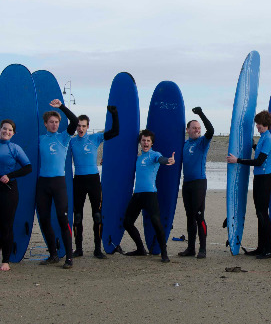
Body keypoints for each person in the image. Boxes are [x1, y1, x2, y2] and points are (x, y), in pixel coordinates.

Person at [69, 106, 119, 258]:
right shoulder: (71, 142)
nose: (81, 128)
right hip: (78, 180)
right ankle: (78, 249)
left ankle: (98, 249)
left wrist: (114, 115)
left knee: (97, 215)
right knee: (77, 217)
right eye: (78, 125)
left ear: (88, 126)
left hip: (93, 180)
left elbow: (115, 132)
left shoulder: (95, 138)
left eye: (83, 126)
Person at [227, 109, 271, 259]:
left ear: (266, 124)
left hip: (265, 179)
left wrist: (238, 160)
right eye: (257, 124)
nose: (258, 126)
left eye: (260, 124)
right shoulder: (263, 138)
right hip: (259, 178)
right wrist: (253, 145)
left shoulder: (269, 139)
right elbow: (260, 152)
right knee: (259, 213)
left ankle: (268, 250)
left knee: (263, 214)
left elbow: (259, 161)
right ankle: (261, 247)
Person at [35, 99, 78, 268]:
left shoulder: (64, 137)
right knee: (44, 219)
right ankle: (53, 254)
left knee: (62, 218)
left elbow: (74, 121)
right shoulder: (40, 139)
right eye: (51, 122)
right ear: (45, 124)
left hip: (59, 183)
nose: (54, 125)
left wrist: (61, 107)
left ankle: (69, 257)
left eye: (56, 122)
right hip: (43, 183)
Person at [121, 129, 175, 262]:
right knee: (127, 223)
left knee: (156, 222)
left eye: (148, 141)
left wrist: (168, 160)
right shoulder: (138, 158)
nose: (145, 143)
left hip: (150, 194)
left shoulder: (154, 155)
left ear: (152, 143)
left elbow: (161, 159)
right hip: (137, 194)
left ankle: (164, 253)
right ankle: (140, 249)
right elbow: (122, 165)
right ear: (140, 142)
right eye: (143, 140)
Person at [0, 119, 32, 271]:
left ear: (13, 133)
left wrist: (10, 174)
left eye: (9, 130)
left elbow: (28, 168)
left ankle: (5, 261)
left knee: (6, 226)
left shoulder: (15, 148)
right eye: (4, 129)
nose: (6, 132)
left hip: (9, 189)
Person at [179, 107, 213, 258]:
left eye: (199, 128)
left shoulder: (202, 143)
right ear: (188, 130)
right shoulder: (184, 144)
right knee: (189, 216)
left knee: (199, 215)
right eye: (194, 128)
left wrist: (200, 114)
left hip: (199, 183)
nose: (197, 130)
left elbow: (210, 130)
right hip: (187, 184)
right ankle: (190, 248)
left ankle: (203, 249)